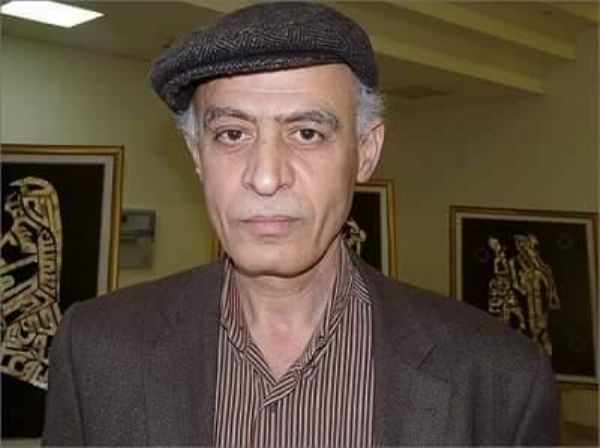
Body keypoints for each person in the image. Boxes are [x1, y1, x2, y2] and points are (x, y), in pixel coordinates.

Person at [42, 2, 558, 446]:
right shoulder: (96, 350)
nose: (266, 177)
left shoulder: (500, 379)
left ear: (366, 151)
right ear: (197, 155)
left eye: (307, 133)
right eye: (231, 134)